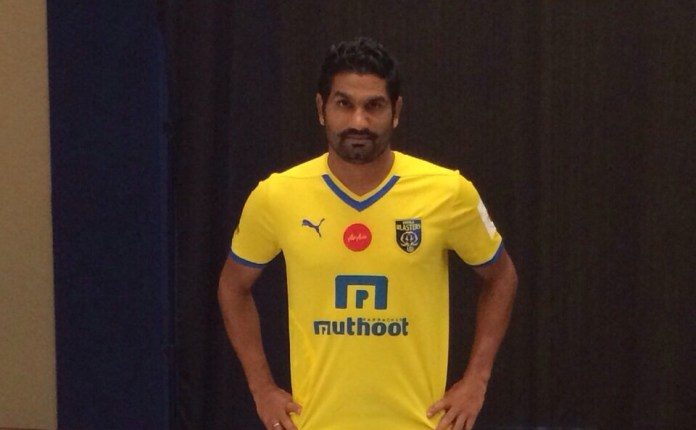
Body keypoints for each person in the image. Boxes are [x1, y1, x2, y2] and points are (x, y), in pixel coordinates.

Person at [218, 37, 518, 430]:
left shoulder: (448, 192)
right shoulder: (276, 196)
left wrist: (476, 380)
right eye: (344, 104)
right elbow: (233, 287)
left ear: (396, 112)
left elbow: (501, 277)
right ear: (321, 109)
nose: (358, 121)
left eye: (373, 106)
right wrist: (261, 388)